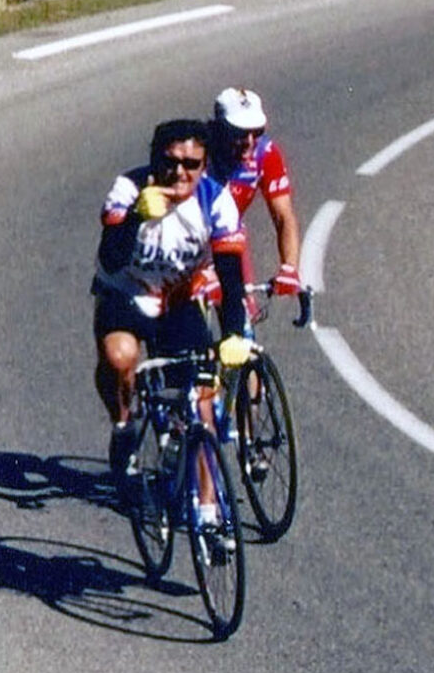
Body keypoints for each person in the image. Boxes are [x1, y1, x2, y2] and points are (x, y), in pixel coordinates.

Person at [92, 119, 251, 544]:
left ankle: (208, 511)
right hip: (126, 294)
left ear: (205, 166)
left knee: (202, 404)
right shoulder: (128, 189)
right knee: (120, 359)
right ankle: (124, 429)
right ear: (154, 160)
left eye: (191, 164)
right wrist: (134, 219)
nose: (179, 172)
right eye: (170, 162)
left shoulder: (215, 202)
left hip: (178, 299)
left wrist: (233, 334)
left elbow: (231, 276)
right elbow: (111, 257)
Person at [208, 87, 303, 311]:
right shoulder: (196, 153)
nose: (249, 141)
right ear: (219, 128)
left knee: (242, 314)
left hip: (228, 238)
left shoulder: (265, 153)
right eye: (239, 132)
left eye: (257, 131)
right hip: (186, 243)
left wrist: (289, 268)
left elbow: (283, 216)